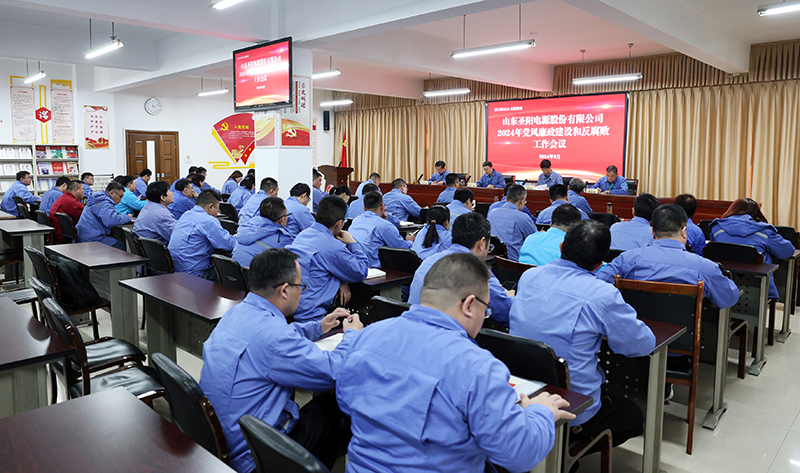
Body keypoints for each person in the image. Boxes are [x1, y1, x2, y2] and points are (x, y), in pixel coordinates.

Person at [337, 252, 573, 473]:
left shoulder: (363, 338)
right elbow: (519, 455)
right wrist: (540, 412)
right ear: (469, 305)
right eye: (486, 310)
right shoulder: (479, 368)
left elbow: (345, 401)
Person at [200, 248, 363, 473]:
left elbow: (276, 337)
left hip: (222, 439)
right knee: (332, 408)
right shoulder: (275, 338)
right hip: (253, 456)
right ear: (285, 290)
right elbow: (333, 371)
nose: (301, 292)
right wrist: (352, 335)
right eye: (300, 286)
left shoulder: (236, 314)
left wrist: (319, 326)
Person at [510, 220, 656, 450]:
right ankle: (566, 453)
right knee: (633, 416)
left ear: (561, 247)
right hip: (572, 405)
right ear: (600, 264)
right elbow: (641, 345)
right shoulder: (602, 294)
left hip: (525, 392)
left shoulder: (529, 277)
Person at [599, 204, 741, 308]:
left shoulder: (627, 260)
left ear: (653, 232)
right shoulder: (705, 268)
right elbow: (730, 298)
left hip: (637, 333)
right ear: (684, 232)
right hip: (685, 338)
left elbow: (599, 283)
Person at [409, 212, 513, 326]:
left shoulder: (428, 261)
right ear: (482, 243)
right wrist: (509, 296)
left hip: (413, 326)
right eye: (489, 247)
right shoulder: (477, 271)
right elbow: (507, 312)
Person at [286, 196, 370, 322]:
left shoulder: (302, 235)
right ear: (339, 224)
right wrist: (352, 242)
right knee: (362, 319)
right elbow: (361, 271)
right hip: (313, 318)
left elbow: (319, 268)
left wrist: (342, 281)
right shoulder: (333, 247)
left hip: (291, 311)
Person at [709, 197, 795, 301]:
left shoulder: (717, 227)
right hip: (758, 290)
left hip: (722, 287)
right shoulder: (764, 231)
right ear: (757, 213)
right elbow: (787, 251)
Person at [168, 190, 237, 281]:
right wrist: (237, 236)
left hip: (177, 270)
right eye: (218, 209)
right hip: (195, 273)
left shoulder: (186, 215)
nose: (217, 213)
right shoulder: (208, 220)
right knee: (232, 272)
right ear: (210, 206)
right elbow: (228, 244)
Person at [348, 192, 415, 268]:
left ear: (364, 208)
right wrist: (410, 241)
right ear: (382, 207)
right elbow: (403, 248)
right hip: (376, 268)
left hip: (356, 265)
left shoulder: (356, 220)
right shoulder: (385, 226)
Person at [232, 197, 294, 267]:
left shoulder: (246, 228)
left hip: (235, 271)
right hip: (259, 273)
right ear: (282, 219)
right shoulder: (283, 239)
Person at [75, 181, 132, 250]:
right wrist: (127, 217)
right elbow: (111, 221)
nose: (120, 200)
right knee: (121, 245)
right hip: (93, 239)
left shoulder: (97, 199)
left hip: (83, 236)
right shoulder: (105, 203)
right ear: (112, 193)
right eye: (120, 196)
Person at [487, 184, 537, 261]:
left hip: (493, 259)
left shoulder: (492, 213)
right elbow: (535, 239)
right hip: (514, 262)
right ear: (522, 201)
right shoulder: (522, 217)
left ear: (506, 199)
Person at [133, 181, 176, 245]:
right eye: (169, 191)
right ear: (163, 197)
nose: (172, 193)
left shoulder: (148, 206)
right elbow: (176, 236)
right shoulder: (162, 214)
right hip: (156, 248)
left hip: (145, 247)